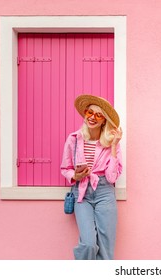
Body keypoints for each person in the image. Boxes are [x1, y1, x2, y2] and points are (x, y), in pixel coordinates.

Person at [61, 94, 123, 260]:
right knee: (88, 243)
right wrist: (75, 175)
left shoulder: (111, 143)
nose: (93, 117)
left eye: (98, 114)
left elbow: (111, 177)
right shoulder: (74, 139)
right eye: (90, 112)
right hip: (82, 194)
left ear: (104, 120)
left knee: (106, 246)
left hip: (105, 192)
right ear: (85, 114)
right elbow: (65, 168)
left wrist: (114, 146)